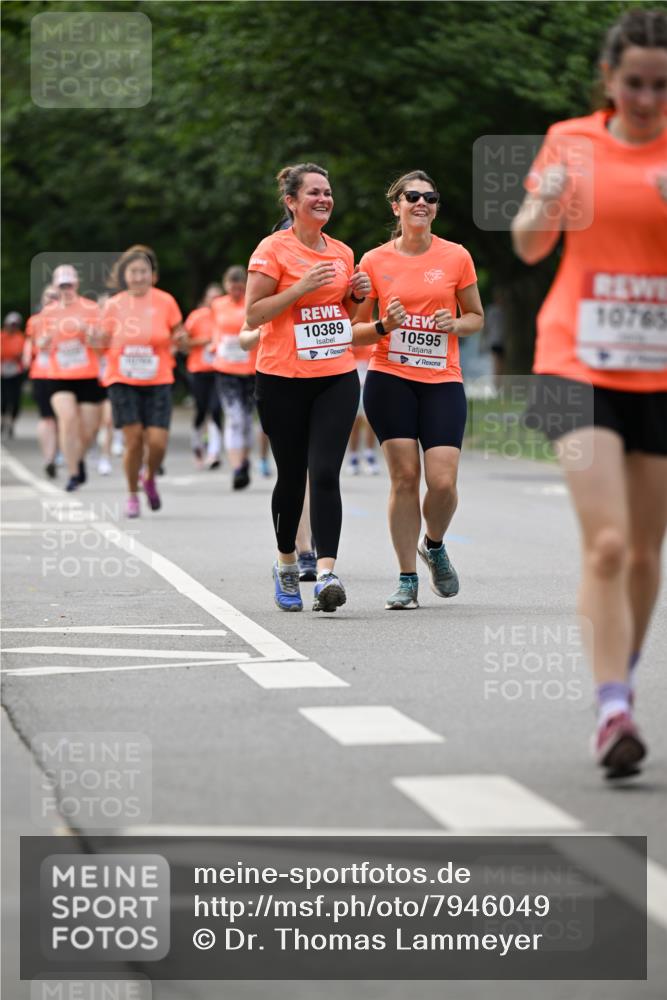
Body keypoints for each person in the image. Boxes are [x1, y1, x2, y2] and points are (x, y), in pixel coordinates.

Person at [511, 7, 667, 779]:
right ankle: (611, 709)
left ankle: (621, 676)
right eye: (632, 83)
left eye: (659, 86)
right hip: (575, 357)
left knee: (644, 551)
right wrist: (552, 196)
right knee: (605, 543)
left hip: (658, 369)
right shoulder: (569, 138)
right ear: (608, 79)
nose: (644, 99)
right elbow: (529, 243)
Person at [352, 170, 483, 610]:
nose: (421, 203)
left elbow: (476, 316)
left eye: (430, 197)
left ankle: (435, 544)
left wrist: (456, 323)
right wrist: (384, 326)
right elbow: (353, 331)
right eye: (412, 196)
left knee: (442, 482)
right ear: (397, 206)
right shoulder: (373, 261)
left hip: (441, 379)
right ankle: (407, 577)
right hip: (390, 377)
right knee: (405, 478)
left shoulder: (456, 257)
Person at [245, 162, 370, 611]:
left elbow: (347, 319)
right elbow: (254, 315)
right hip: (281, 379)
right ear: (291, 202)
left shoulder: (342, 252)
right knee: (292, 476)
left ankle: (326, 574)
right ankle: (284, 563)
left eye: (328, 192)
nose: (323, 199)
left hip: (335, 375)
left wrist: (356, 295)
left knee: (324, 473)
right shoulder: (271, 250)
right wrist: (299, 288)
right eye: (313, 192)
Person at [100, 245, 186, 517]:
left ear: (152, 274)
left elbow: (178, 332)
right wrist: (93, 338)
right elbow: (100, 340)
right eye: (133, 272)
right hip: (122, 379)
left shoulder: (165, 301)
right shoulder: (114, 305)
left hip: (158, 378)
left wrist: (181, 339)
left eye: (143, 271)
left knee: (158, 442)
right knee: (134, 439)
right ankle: (132, 494)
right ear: (125, 275)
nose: (138, 277)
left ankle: (148, 477)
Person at [33, 265, 104, 492]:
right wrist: (46, 338)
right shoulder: (48, 313)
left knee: (90, 429)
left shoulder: (91, 309)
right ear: (55, 287)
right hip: (58, 375)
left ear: (76, 284)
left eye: (69, 285)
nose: (66, 289)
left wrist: (90, 333)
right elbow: (39, 343)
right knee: (67, 419)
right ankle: (73, 473)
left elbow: (101, 344)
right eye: (61, 285)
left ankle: (78, 457)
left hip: (87, 374)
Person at [211, 267, 256, 489]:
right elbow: (215, 329)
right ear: (225, 284)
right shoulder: (217, 304)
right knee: (235, 418)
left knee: (247, 421)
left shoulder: (253, 302)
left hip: (250, 370)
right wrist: (214, 344)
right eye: (231, 285)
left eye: (240, 287)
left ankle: (244, 460)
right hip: (226, 369)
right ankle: (237, 468)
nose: (235, 290)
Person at [184, 282, 223, 470]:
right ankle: (197, 446)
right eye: (211, 297)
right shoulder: (196, 317)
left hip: (220, 370)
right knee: (201, 409)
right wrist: (204, 341)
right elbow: (183, 343)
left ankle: (214, 452)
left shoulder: (226, 314)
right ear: (205, 299)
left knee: (215, 409)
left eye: (218, 297)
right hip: (198, 370)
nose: (215, 301)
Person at [24, 286, 59, 477]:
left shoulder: (69, 320)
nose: (52, 300)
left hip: (65, 375)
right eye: (49, 296)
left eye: (56, 296)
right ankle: (49, 458)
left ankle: (59, 453)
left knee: (63, 418)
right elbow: (31, 343)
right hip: (42, 374)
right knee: (47, 418)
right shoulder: (35, 321)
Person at [346, 343, 380, 475]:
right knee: (354, 423)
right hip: (353, 386)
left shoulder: (371, 338)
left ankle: (369, 455)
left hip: (368, 385)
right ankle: (353, 457)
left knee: (369, 422)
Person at [1, 312, 26, 441]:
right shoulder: (1, 336)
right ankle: (3, 419)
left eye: (15, 325)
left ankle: (11, 422)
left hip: (16, 372)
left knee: (15, 400)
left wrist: (19, 356)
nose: (13, 327)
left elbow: (22, 354)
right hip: (3, 371)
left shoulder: (20, 338)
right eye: (11, 325)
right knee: (3, 399)